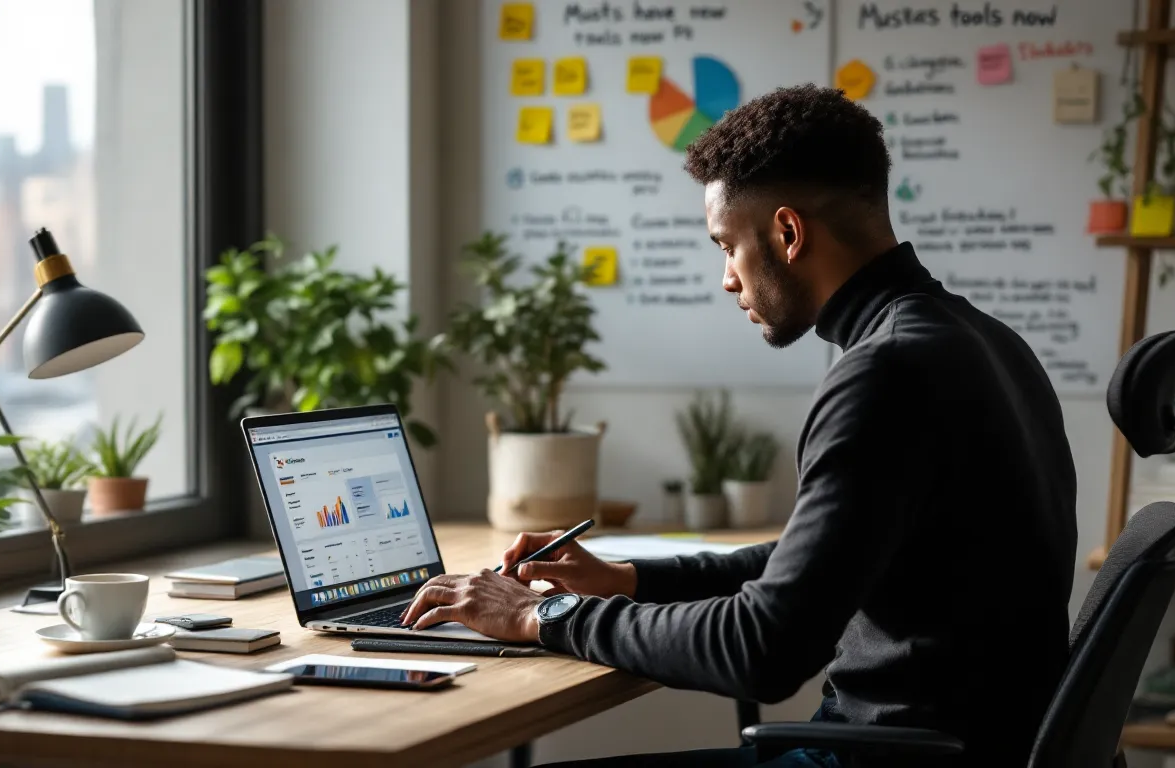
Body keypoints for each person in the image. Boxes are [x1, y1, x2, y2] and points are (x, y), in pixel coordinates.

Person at [400, 84, 1077, 768]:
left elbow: (762, 649)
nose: (727, 278)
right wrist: (626, 580)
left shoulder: (886, 374)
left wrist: (534, 616)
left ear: (788, 233)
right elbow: (807, 567)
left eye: (728, 246)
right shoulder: (981, 342)